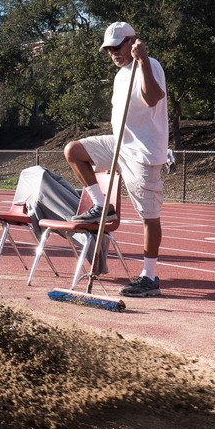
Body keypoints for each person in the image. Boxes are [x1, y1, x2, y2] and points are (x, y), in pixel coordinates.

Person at [64, 22, 168, 297]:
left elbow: (153, 97)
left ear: (133, 41)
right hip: (119, 144)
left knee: (149, 217)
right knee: (73, 150)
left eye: (118, 46)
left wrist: (143, 59)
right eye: (108, 49)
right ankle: (101, 206)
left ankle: (150, 277)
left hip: (143, 152)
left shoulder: (150, 64)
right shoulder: (119, 75)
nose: (113, 53)